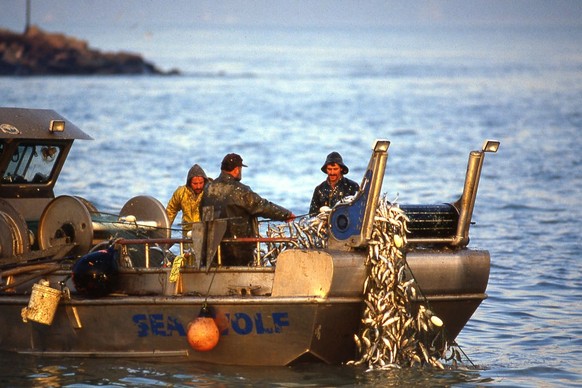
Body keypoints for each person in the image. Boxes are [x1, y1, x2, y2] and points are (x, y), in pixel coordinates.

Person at [201, 153, 295, 266]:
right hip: (238, 251)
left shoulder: (208, 189)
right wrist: (286, 214)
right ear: (237, 169)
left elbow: (202, 215)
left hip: (212, 252)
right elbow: (262, 206)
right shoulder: (240, 190)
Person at [166, 164, 209, 235]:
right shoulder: (181, 193)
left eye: (201, 183)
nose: (198, 186)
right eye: (195, 183)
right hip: (187, 233)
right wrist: (165, 230)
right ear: (189, 183)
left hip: (205, 233)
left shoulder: (210, 191)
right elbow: (170, 211)